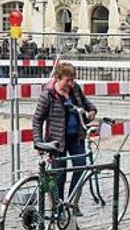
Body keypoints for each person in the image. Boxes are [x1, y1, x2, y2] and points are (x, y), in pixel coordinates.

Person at [32, 62, 97, 202]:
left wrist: (92, 111)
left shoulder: (75, 89)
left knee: (80, 168)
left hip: (76, 138)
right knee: (58, 176)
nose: (70, 83)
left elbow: (86, 103)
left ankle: (72, 203)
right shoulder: (48, 95)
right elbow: (37, 119)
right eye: (67, 80)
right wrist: (38, 143)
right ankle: (58, 206)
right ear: (58, 78)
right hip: (56, 141)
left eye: (72, 80)